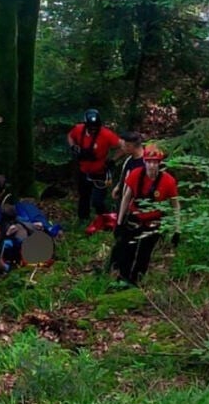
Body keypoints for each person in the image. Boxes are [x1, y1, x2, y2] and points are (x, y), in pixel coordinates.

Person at [109, 146, 181, 285]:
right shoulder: (136, 175)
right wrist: (119, 222)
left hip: (154, 223)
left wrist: (177, 229)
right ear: (145, 162)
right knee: (127, 250)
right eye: (149, 162)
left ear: (159, 163)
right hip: (134, 219)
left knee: (144, 254)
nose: (152, 165)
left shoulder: (168, 181)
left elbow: (175, 205)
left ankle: (136, 281)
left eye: (155, 162)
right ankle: (122, 278)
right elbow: (126, 197)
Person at [67, 108, 122, 221]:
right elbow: (70, 136)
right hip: (83, 171)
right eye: (91, 128)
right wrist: (73, 146)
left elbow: (123, 146)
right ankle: (83, 220)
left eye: (95, 128)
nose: (93, 130)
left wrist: (112, 160)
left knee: (98, 201)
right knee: (84, 197)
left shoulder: (106, 134)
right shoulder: (78, 130)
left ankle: (104, 219)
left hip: (100, 172)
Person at [112, 131, 145, 206]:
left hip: (138, 202)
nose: (122, 148)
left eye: (123, 146)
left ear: (129, 146)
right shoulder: (129, 160)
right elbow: (125, 175)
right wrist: (118, 186)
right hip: (124, 199)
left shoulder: (146, 163)